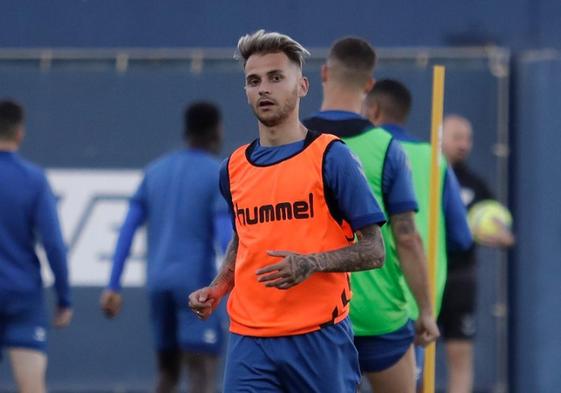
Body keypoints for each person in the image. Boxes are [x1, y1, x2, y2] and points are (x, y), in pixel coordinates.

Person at [188, 30, 387, 393]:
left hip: (319, 339)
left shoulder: (331, 156)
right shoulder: (233, 168)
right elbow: (243, 237)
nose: (264, 88)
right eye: (253, 81)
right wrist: (219, 287)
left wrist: (311, 263)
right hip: (250, 341)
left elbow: (374, 250)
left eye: (276, 77)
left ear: (303, 86)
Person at [303, 38, 439, 393]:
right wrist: (425, 310)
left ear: (324, 74)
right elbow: (407, 237)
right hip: (380, 316)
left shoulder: (295, 143)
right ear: (369, 85)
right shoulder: (388, 150)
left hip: (317, 317)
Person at [100, 102, 232, 393]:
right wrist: (238, 283)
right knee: (201, 372)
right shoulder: (216, 173)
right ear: (217, 131)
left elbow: (127, 229)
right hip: (196, 285)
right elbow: (226, 239)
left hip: (158, 283)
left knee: (167, 373)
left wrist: (113, 286)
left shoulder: (154, 171)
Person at [363, 79, 473, 390]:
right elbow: (461, 237)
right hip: (417, 301)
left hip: (364, 299)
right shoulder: (435, 160)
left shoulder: (358, 151)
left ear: (372, 110)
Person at [0, 100, 73, 393]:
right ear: (20, 133)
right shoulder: (33, 179)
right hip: (22, 297)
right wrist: (64, 298)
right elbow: (54, 244)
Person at [439, 114, 514, 393]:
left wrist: (501, 235)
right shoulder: (423, 174)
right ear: (440, 138)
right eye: (457, 137)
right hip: (424, 276)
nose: (464, 144)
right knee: (412, 354)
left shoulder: (474, 184)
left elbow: (503, 229)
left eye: (468, 139)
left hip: (460, 279)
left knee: (459, 354)